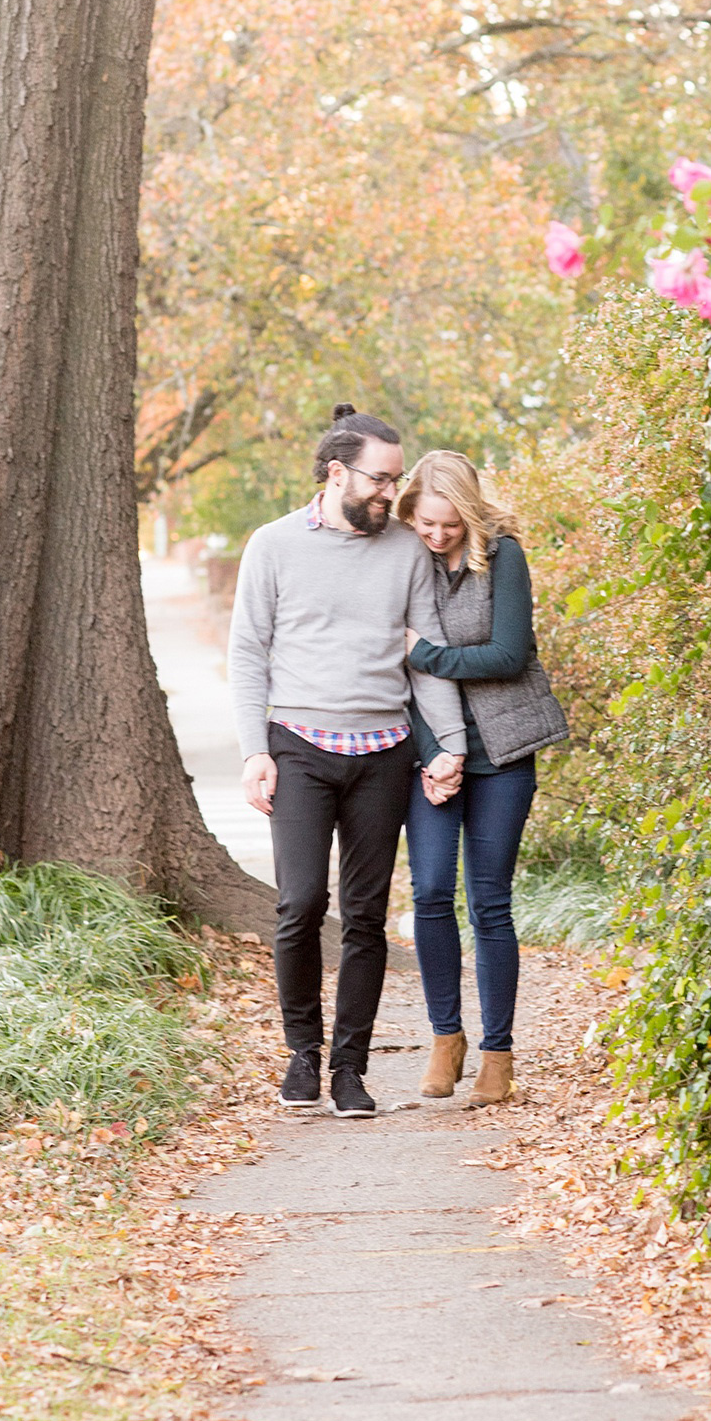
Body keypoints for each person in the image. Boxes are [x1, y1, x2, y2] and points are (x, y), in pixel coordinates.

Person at [228, 406, 466, 1116]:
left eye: (396, 480)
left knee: (365, 916)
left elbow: (425, 659)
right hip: (298, 746)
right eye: (381, 479)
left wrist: (447, 744)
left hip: (383, 752)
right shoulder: (271, 547)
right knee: (301, 903)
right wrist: (253, 752)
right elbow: (248, 653)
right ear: (337, 473)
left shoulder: (404, 552)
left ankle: (348, 1070)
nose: (392, 494)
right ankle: (302, 1054)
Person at [397, 450, 568, 1107]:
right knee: (431, 890)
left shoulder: (504, 556)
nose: (438, 536)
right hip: (431, 755)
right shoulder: (399, 558)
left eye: (450, 525)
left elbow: (508, 652)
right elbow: (390, 674)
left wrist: (426, 652)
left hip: (503, 751)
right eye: (427, 523)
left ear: (470, 515)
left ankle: (498, 1054)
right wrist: (433, 748)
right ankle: (447, 1038)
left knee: (488, 902)